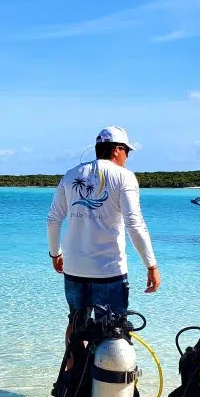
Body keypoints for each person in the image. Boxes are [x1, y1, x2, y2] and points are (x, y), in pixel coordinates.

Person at [47, 126, 160, 328]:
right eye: (127, 151)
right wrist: (151, 266)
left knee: (75, 326)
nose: (127, 157)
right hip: (109, 272)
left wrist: (55, 254)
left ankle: (73, 360)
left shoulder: (71, 175)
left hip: (74, 269)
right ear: (117, 149)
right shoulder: (124, 176)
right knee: (112, 333)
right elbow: (134, 224)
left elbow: (53, 219)